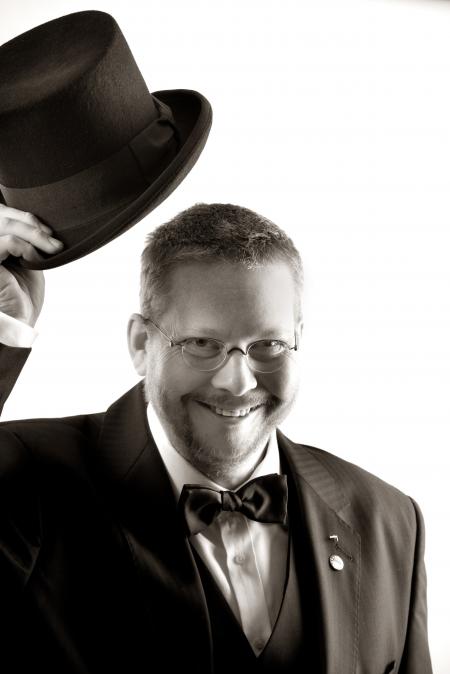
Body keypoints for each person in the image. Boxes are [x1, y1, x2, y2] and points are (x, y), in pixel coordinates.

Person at [0, 201, 432, 673]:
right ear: (142, 345)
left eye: (267, 344)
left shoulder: (391, 522)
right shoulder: (23, 479)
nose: (239, 382)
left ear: (298, 339)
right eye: (202, 344)